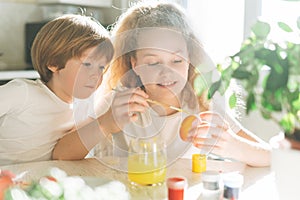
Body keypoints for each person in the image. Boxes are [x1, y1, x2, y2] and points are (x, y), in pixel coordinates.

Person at [96, 1, 271, 167]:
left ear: (189, 60)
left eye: (177, 61)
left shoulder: (203, 105)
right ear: (135, 65)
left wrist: (234, 146)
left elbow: (271, 157)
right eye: (153, 63)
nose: (167, 73)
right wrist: (104, 123)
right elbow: (68, 152)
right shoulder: (118, 103)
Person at [0, 14, 147, 165]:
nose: (96, 75)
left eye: (101, 67)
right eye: (87, 64)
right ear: (54, 63)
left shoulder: (83, 109)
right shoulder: (22, 92)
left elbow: (68, 153)